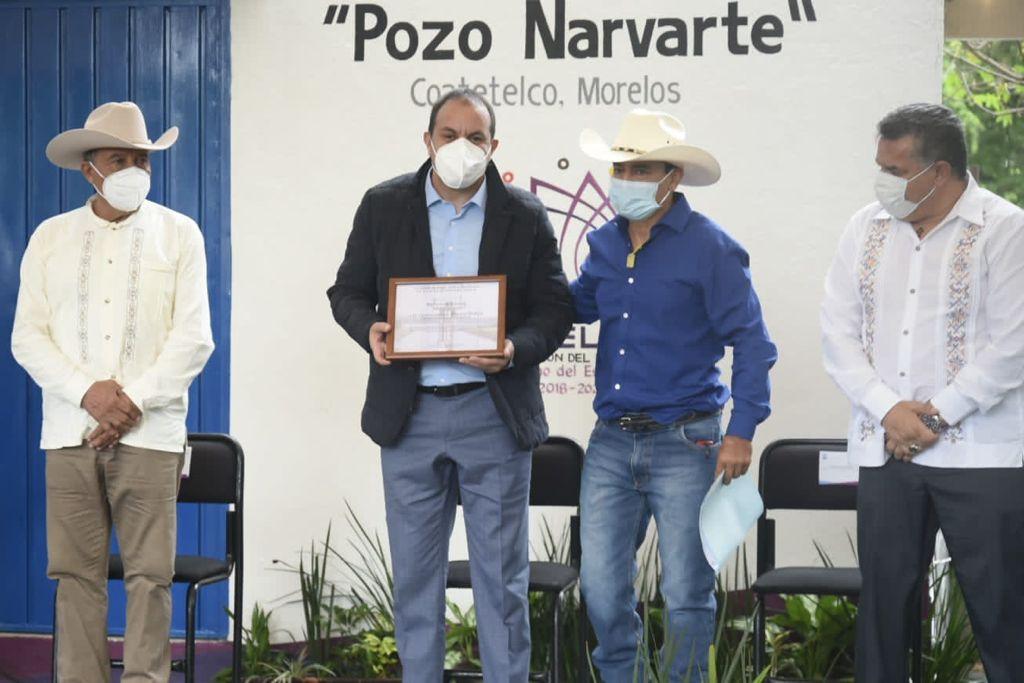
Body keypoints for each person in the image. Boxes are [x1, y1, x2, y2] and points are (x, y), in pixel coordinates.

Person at [326, 88, 573, 682]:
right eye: (450, 135)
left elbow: (555, 309)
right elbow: (347, 292)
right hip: (408, 416)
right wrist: (370, 329)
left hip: (493, 414)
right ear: (428, 140)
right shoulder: (384, 205)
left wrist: (512, 349)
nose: (462, 146)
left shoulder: (525, 214)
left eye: (476, 137)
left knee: (502, 583)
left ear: (494, 146)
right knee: (414, 580)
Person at [11, 101, 214, 683]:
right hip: (69, 433)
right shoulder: (50, 238)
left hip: (151, 435)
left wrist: (130, 403)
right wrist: (88, 394)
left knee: (151, 577)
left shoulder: (180, 234)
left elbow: (194, 338)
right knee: (75, 576)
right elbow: (27, 336)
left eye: (142, 161)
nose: (133, 171)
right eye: (118, 160)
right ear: (89, 169)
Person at [571, 109, 777, 681]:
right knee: (601, 587)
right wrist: (507, 302)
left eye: (640, 170)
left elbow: (753, 343)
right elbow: (575, 305)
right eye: (621, 169)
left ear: (673, 177)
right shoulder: (604, 244)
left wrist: (741, 432)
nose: (626, 180)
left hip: (689, 440)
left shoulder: (712, 248)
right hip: (611, 441)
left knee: (687, 591)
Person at [821, 102, 1024, 681]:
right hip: (887, 454)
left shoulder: (1005, 229)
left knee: (1001, 611)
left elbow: (1013, 344)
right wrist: (890, 411)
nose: (883, 180)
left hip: (983, 458)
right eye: (880, 166)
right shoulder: (864, 227)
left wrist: (933, 419)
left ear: (939, 172)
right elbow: (837, 331)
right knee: (883, 613)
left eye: (895, 169)